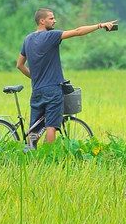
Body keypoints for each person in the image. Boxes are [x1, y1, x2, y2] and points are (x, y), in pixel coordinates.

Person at [16, 8, 115, 145]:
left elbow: (19, 65)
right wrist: (99, 25)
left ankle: (30, 155)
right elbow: (77, 32)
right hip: (52, 89)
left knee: (34, 128)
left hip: (37, 90)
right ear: (42, 20)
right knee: (51, 126)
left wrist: (36, 78)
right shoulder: (51, 36)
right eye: (51, 18)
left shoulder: (28, 39)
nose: (54, 20)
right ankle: (51, 157)